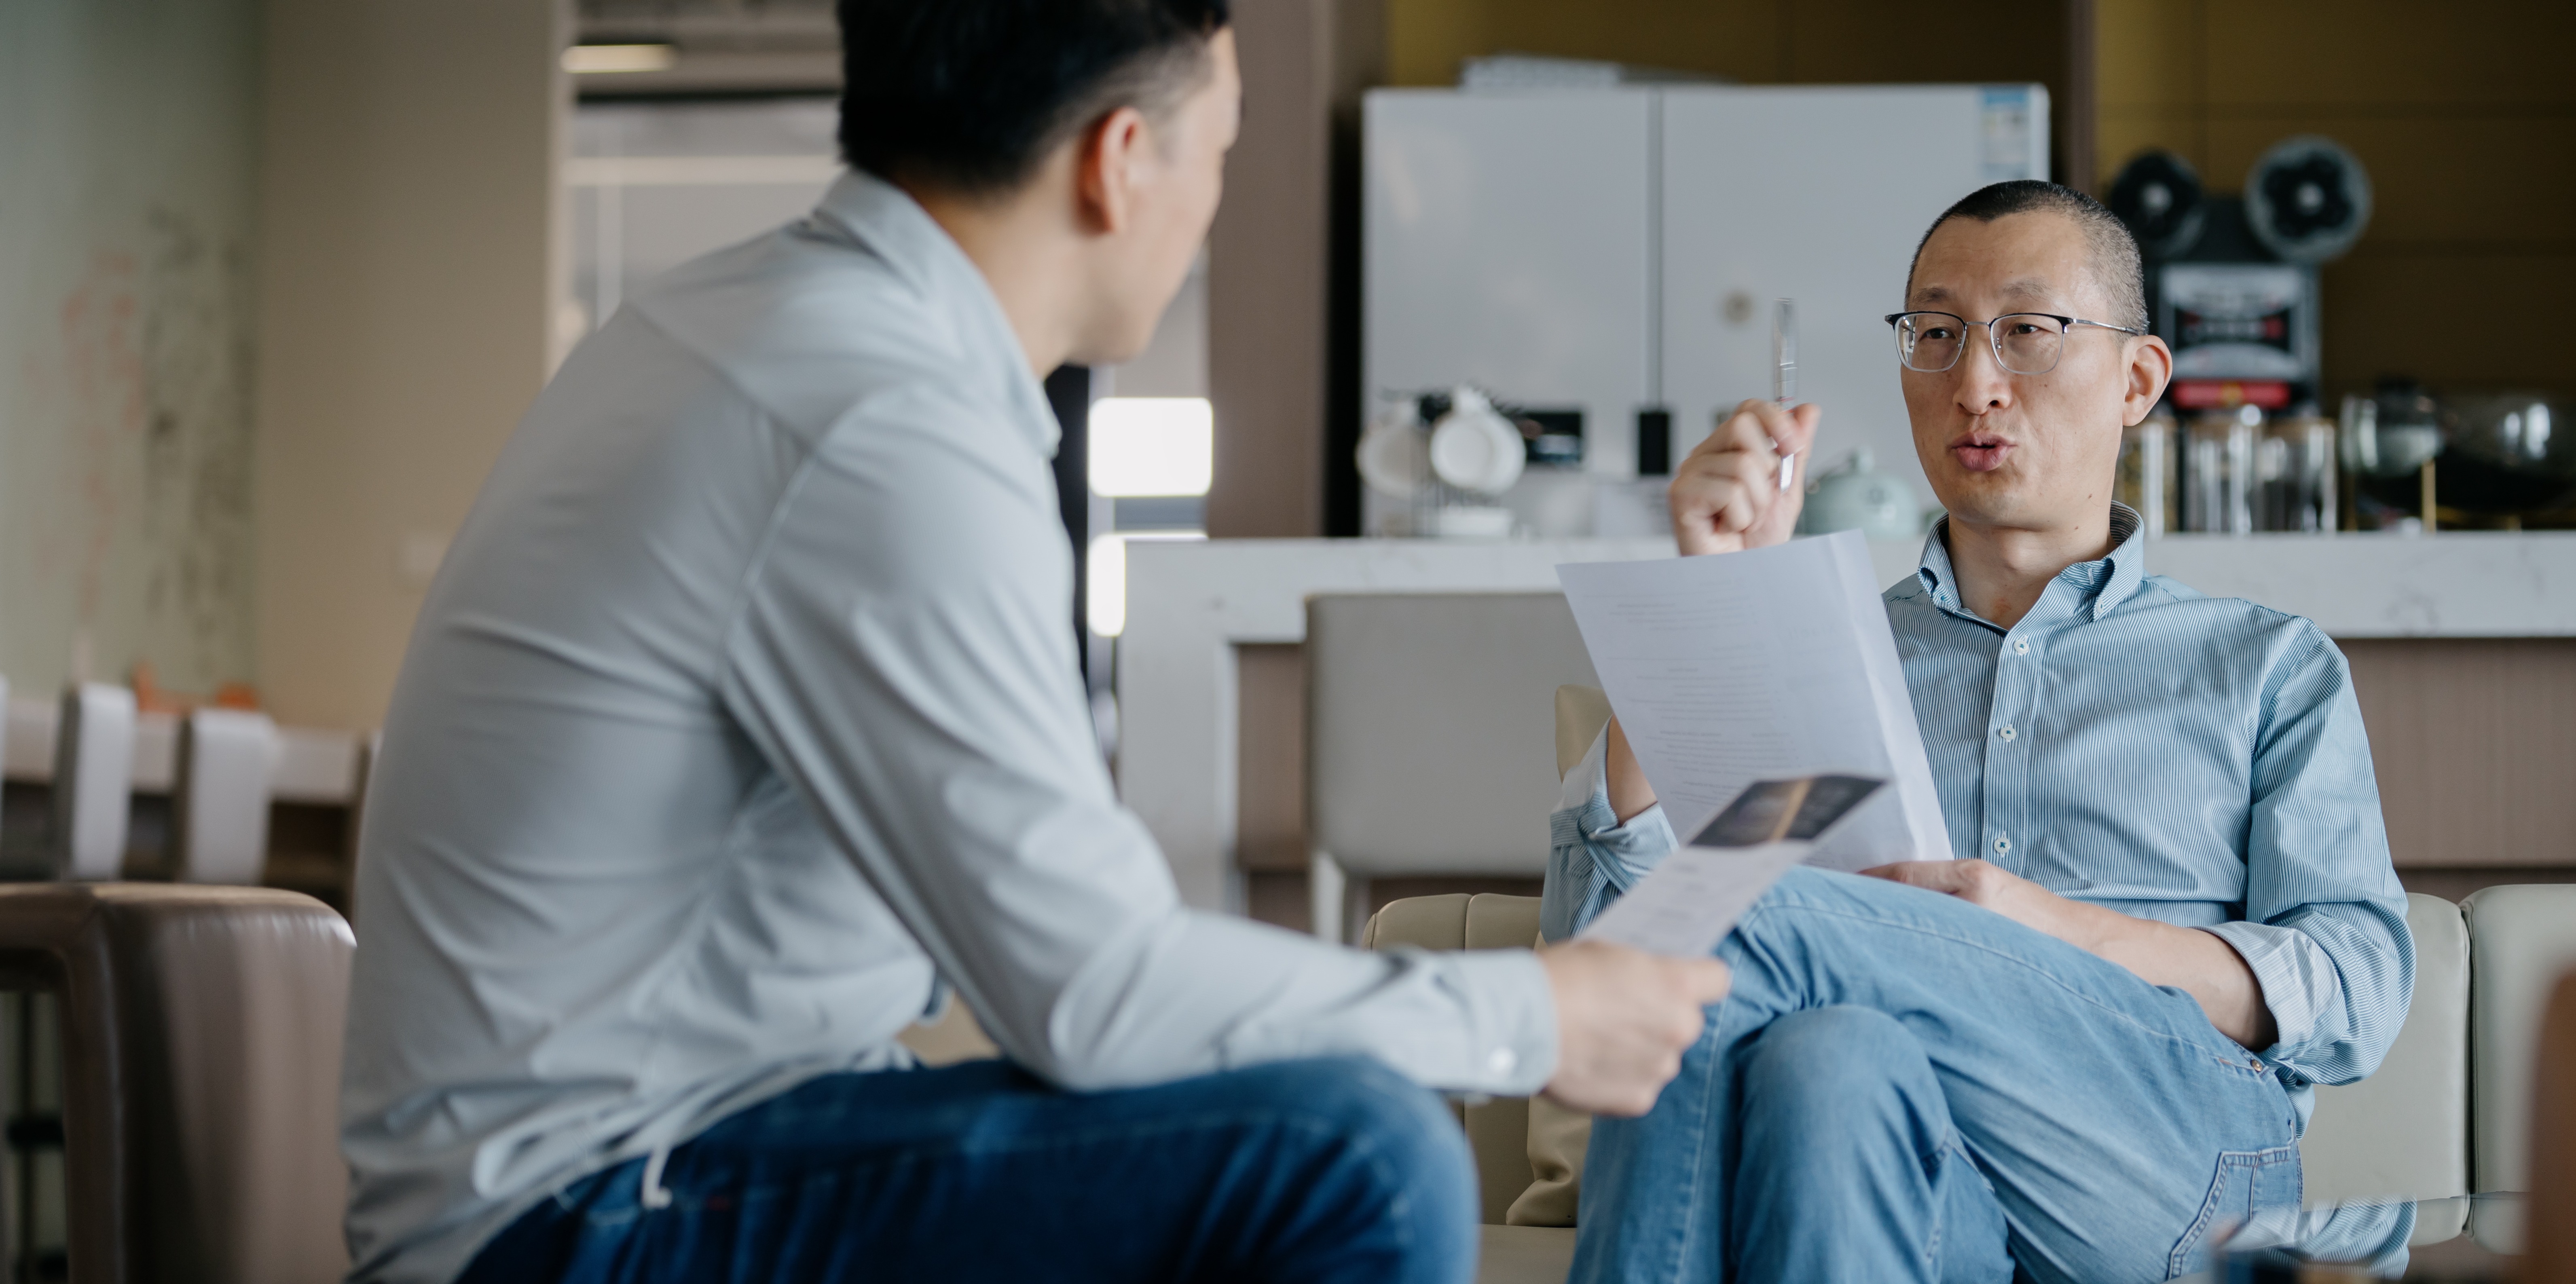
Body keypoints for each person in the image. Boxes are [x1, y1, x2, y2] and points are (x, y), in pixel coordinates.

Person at [336, 3, 1728, 1281]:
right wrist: (1533, 1015)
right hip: (577, 1215)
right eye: (1220, 152)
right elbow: (1089, 990)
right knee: (1356, 1156)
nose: (1211, 207)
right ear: (1120, 162)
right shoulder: (881, 418)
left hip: (647, 1152)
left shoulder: (765, 324)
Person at [1547, 180, 2413, 1284]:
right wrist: (1717, 606)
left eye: (2028, 333)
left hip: (2172, 1168)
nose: (1975, 385)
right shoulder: (1842, 657)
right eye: (1937, 335)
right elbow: (1618, 940)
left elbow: (2357, 984)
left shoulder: (2263, 664)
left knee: (1745, 916)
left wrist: (2060, 932)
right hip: (1909, 1161)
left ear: (2139, 380)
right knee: (1828, 1057)